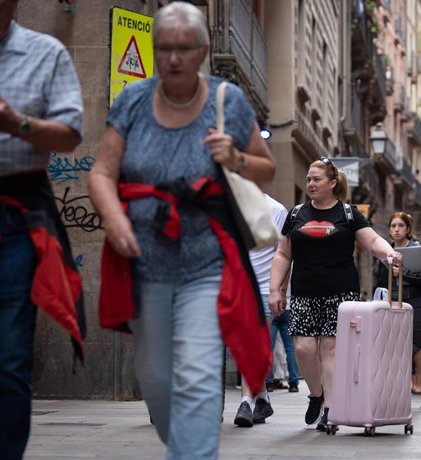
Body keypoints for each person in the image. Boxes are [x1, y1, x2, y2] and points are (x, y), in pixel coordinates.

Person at [88, 3, 275, 458]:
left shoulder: (227, 100)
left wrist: (234, 158)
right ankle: (188, 444)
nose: (173, 58)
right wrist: (113, 220)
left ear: (203, 50)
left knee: (197, 374)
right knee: (155, 379)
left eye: (183, 49)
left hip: (205, 263)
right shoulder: (132, 101)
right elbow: (101, 173)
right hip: (144, 261)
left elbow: (266, 170)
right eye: (164, 48)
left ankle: (192, 452)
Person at [0, 2, 85, 458]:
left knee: (9, 356)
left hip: (15, 216)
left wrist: (17, 123)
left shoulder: (45, 52)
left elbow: (71, 133)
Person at [268, 157, 402, 432]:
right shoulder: (296, 214)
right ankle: (316, 395)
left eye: (316, 179)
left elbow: (372, 241)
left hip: (340, 293)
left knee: (330, 350)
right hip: (304, 293)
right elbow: (283, 253)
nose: (310, 184)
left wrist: (389, 253)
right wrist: (274, 289)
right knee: (304, 350)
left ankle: (330, 409)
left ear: (332, 183)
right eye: (308, 179)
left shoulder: (349, 214)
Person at [233, 193, 287, 427]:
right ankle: (263, 399)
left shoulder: (276, 210)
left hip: (264, 289)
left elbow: (285, 254)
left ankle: (246, 401)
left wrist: (280, 290)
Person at [375, 211, 421, 409]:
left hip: (414, 303)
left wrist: (404, 273)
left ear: (408, 229)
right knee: (390, 348)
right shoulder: (385, 251)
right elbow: (380, 280)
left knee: (415, 347)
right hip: (390, 303)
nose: (396, 229)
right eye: (393, 226)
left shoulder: (418, 250)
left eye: (400, 225)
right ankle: (394, 389)